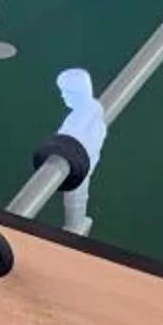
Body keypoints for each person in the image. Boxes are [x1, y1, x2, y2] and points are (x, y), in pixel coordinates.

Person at [54, 67, 109, 235]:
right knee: (77, 198)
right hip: (83, 163)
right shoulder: (94, 110)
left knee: (75, 199)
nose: (63, 96)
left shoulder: (75, 124)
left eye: (66, 93)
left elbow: (64, 141)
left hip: (78, 166)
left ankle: (74, 227)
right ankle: (75, 224)